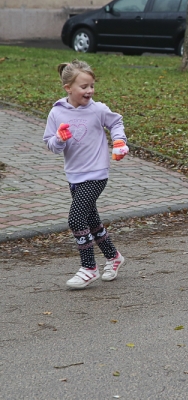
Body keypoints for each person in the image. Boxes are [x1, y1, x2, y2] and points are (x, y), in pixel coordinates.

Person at [43, 60, 129, 289]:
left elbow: (116, 122)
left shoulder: (98, 110)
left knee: (76, 219)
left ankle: (89, 268)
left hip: (97, 174)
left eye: (91, 85)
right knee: (92, 222)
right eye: (83, 87)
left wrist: (119, 141)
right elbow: (50, 145)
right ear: (68, 88)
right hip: (74, 175)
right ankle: (114, 257)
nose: (89, 91)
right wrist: (59, 139)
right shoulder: (57, 112)